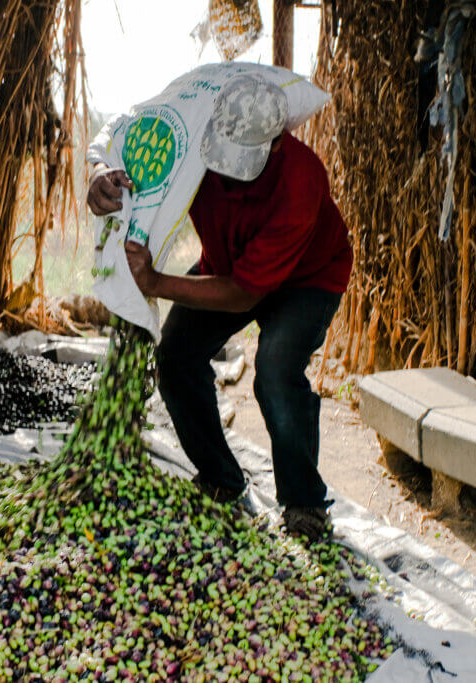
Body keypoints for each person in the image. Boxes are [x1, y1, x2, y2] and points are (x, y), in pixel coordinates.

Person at [86, 75, 351, 539]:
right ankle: (220, 479)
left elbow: (243, 293)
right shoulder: (193, 143)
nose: (226, 174)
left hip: (306, 280)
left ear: (276, 143)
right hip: (228, 265)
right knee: (175, 356)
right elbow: (119, 137)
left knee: (275, 371)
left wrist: (156, 282)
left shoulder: (301, 180)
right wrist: (98, 172)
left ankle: (304, 504)